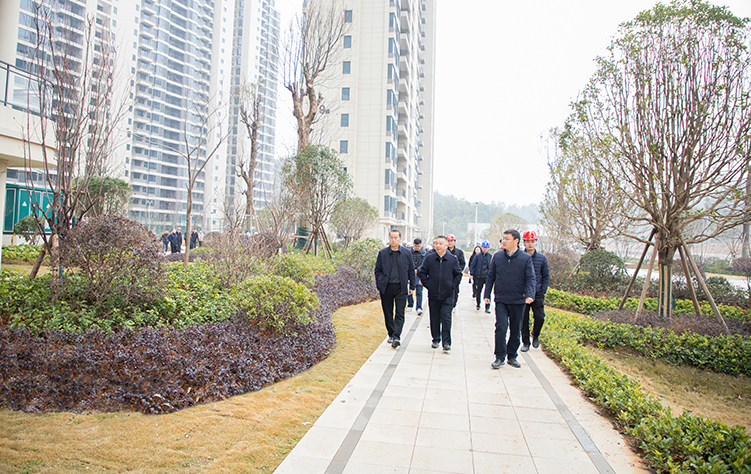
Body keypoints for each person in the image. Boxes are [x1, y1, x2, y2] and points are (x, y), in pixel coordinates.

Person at [484, 229, 535, 369]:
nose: (504, 241)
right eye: (503, 238)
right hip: (501, 299)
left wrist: (530, 294)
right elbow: (491, 276)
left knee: (515, 329)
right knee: (501, 327)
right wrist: (487, 294)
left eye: (507, 239)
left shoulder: (525, 258)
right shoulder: (498, 257)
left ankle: (512, 356)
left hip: (518, 300)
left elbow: (530, 278)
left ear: (516, 241)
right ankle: (499, 356)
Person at [418, 235, 463, 351]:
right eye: (436, 243)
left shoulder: (452, 259)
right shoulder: (429, 258)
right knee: (434, 317)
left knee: (446, 317)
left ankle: (446, 342)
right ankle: (435, 339)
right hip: (433, 294)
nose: (438, 245)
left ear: (446, 245)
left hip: (448, 294)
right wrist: (428, 285)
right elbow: (422, 272)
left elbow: (458, 274)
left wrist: (452, 285)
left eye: (440, 243)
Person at [374, 230, 415, 348]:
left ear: (400, 239)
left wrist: (412, 286)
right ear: (389, 238)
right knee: (388, 312)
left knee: (400, 312)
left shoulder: (406, 253)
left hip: (401, 287)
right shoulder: (383, 253)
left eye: (396, 237)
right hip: (386, 287)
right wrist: (379, 283)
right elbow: (377, 270)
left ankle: (397, 336)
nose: (393, 240)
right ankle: (391, 333)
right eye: (391, 237)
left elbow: (411, 270)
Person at [520, 230, 550, 352]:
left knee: (540, 316)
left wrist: (543, 290)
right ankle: (526, 342)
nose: (530, 244)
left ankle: (536, 334)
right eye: (528, 241)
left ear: (536, 242)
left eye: (532, 241)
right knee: (524, 319)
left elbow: (546, 276)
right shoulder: (520, 257)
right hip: (523, 292)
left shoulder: (542, 259)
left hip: (537, 292)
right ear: (524, 242)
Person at [470, 240, 493, 313]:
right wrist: (472, 273)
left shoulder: (490, 256)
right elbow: (473, 265)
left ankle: (487, 307)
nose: (485, 249)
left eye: (486, 247)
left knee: (488, 292)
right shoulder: (477, 256)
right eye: (484, 247)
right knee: (478, 291)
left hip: (488, 277)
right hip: (479, 276)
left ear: (488, 248)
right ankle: (478, 304)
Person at [407, 238, 427, 315]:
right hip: (410, 273)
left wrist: (417, 270)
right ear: (413, 244)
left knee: (419, 291)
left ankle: (419, 307)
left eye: (418, 246)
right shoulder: (408, 251)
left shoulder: (424, 253)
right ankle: (410, 304)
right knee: (409, 289)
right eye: (416, 246)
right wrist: (411, 270)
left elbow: (424, 263)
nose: (417, 248)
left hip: (419, 274)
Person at [446, 234, 465, 308]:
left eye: (452, 241)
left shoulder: (459, 252)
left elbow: (462, 263)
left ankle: (454, 305)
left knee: (455, 291)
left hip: (455, 275)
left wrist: (458, 271)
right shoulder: (444, 251)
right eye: (449, 241)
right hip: (446, 275)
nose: (450, 243)